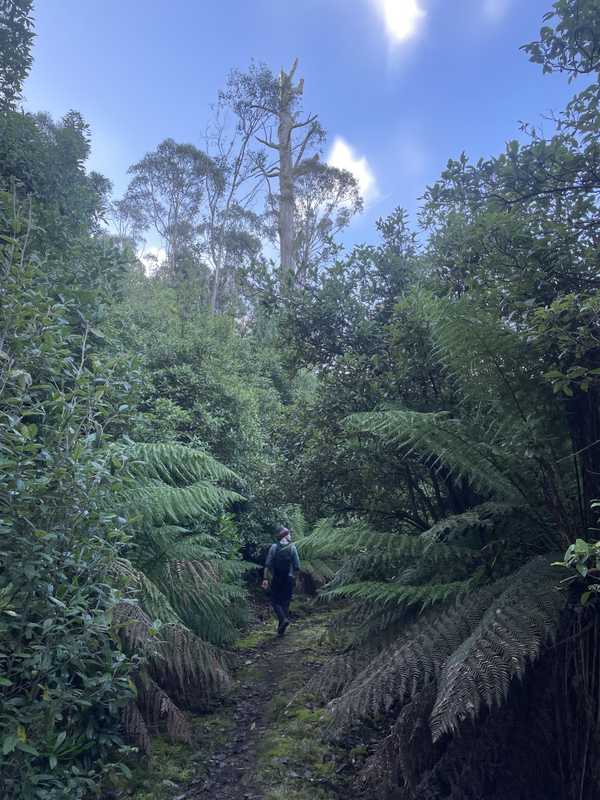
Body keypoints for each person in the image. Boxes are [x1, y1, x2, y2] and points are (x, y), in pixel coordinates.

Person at [262, 525, 300, 636]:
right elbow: (297, 566)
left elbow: (267, 565)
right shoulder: (292, 548)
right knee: (285, 602)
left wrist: (265, 579)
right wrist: (295, 579)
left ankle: (282, 624)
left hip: (277, 578)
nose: (291, 536)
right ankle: (282, 624)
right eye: (289, 534)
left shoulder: (274, 547)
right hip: (289, 579)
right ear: (285, 535)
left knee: (275, 601)